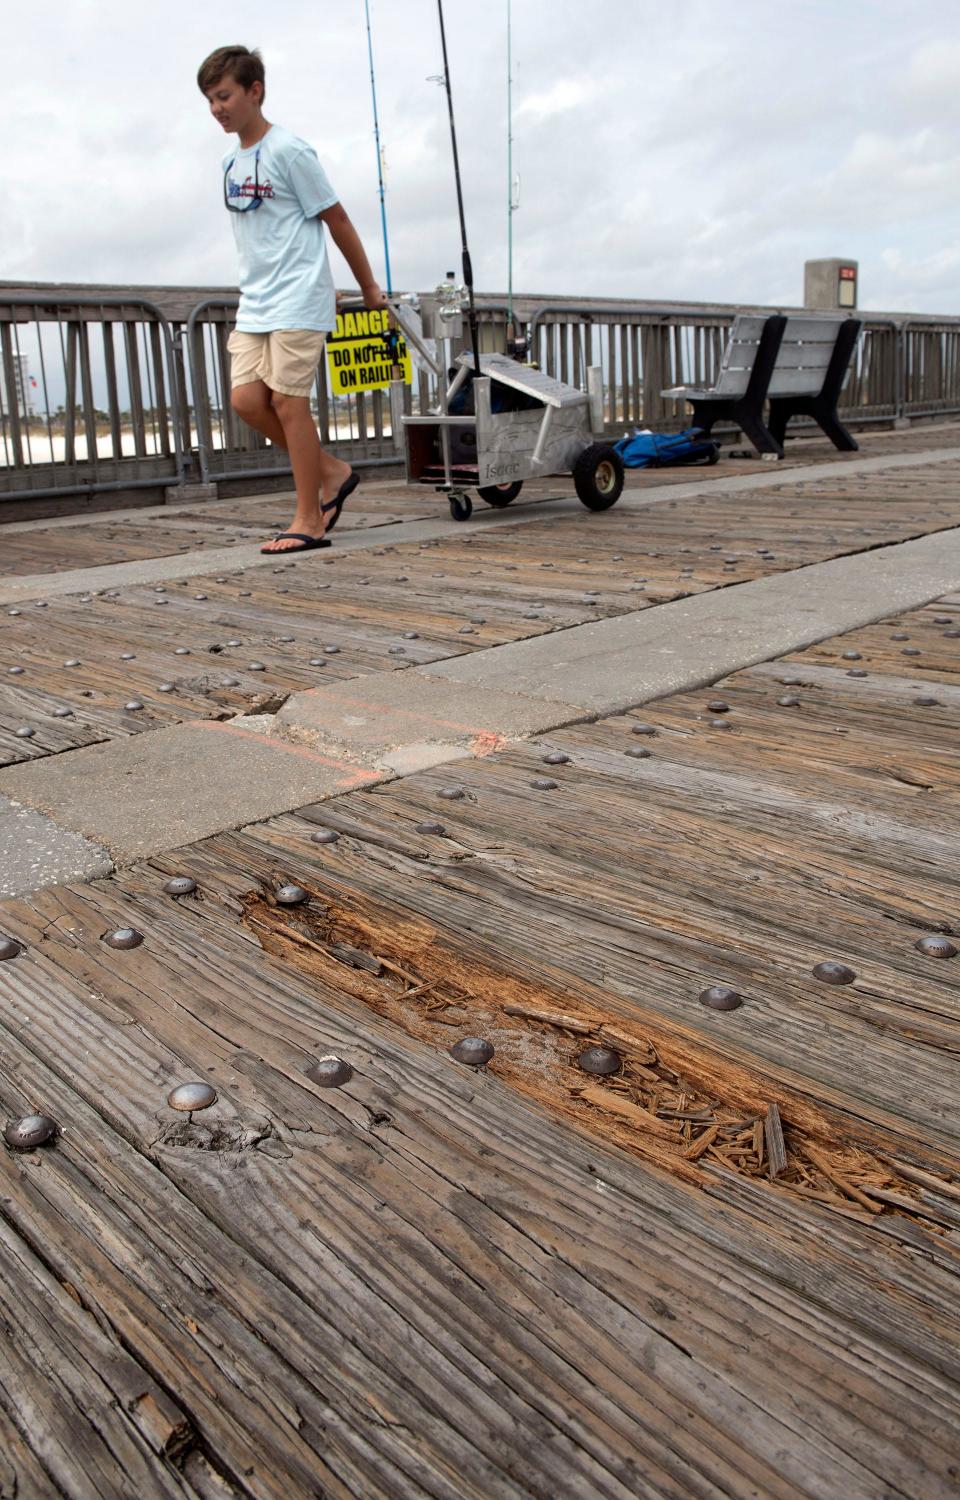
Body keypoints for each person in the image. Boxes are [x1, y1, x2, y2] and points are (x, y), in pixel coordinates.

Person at [197, 45, 385, 554]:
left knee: (287, 402)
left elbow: (337, 219)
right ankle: (331, 471)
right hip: (255, 302)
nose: (217, 108)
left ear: (254, 91)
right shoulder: (228, 163)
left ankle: (309, 518)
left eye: (224, 96)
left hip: (300, 296)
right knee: (246, 401)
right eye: (210, 100)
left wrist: (368, 286)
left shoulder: (290, 151)